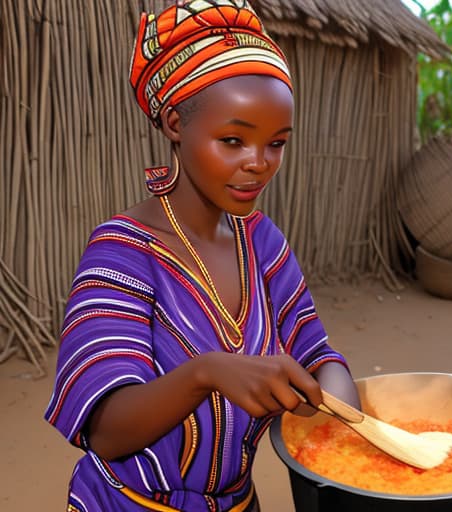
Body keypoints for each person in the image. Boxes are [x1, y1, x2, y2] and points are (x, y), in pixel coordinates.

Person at [45, 1, 361, 510]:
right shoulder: (122, 252)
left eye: (276, 143)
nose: (258, 164)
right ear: (175, 123)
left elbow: (318, 354)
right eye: (233, 140)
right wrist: (206, 372)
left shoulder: (262, 244)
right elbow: (105, 428)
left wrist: (339, 411)